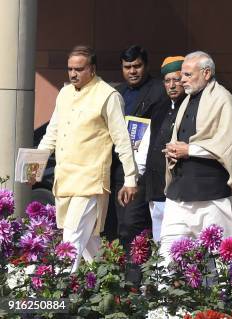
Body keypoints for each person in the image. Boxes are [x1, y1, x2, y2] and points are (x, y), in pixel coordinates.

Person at [37, 45, 137, 272]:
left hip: (90, 180)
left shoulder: (108, 95)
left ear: (91, 69)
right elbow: (52, 133)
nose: (73, 74)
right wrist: (35, 164)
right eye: (70, 69)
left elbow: (123, 140)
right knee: (90, 242)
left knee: (71, 238)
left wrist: (131, 178)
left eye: (79, 69)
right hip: (64, 178)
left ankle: (58, 296)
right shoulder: (64, 93)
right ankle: (111, 287)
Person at [160, 51, 232, 260]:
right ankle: (164, 294)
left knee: (220, 261)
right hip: (179, 195)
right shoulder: (186, 101)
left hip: (212, 197)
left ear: (206, 73)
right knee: (167, 257)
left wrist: (189, 150)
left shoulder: (222, 99)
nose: (182, 80)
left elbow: (228, 143)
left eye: (188, 75)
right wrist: (173, 151)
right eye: (183, 75)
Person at [106, 45, 166, 251]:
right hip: (115, 168)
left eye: (137, 66)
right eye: (127, 67)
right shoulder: (117, 92)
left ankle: (135, 279)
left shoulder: (159, 90)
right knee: (115, 227)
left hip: (141, 170)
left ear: (146, 66)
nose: (132, 71)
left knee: (132, 226)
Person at [135, 56, 186, 242]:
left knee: (175, 241)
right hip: (154, 185)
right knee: (159, 239)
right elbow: (145, 145)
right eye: (167, 81)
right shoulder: (158, 108)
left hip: (177, 188)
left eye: (177, 79)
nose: (172, 85)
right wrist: (134, 177)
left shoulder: (191, 108)